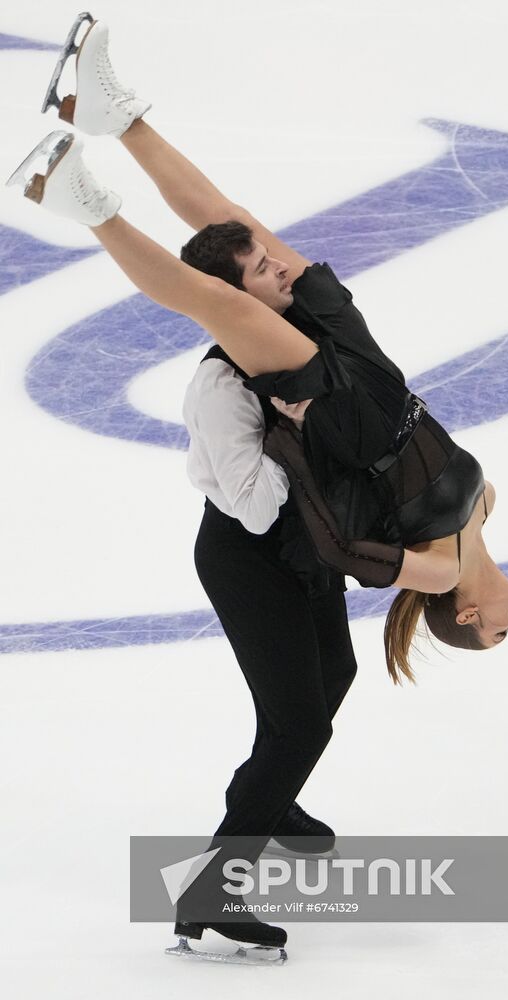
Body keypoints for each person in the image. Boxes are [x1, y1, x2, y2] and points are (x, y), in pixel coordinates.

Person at [10, 14, 362, 966]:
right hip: (251, 553)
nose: (281, 267)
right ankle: (213, 890)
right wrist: (299, 448)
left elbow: (218, 212)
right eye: (262, 272)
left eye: (271, 265)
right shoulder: (222, 384)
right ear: (242, 304)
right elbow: (252, 505)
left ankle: (267, 795)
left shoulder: (305, 313)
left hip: (306, 544)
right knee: (299, 718)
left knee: (333, 683)